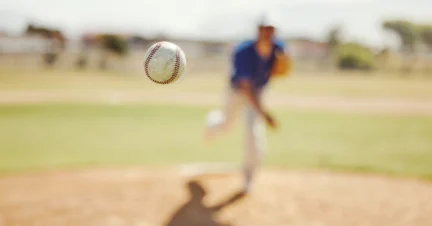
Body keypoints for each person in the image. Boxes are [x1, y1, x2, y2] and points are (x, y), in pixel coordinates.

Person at [204, 14, 291, 193]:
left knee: (253, 133)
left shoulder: (279, 48)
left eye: (271, 29)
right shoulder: (243, 50)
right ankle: (211, 124)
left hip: (258, 91)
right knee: (226, 125)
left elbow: (281, 69)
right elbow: (246, 88)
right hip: (237, 92)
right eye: (264, 28)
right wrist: (265, 114)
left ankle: (249, 177)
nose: (267, 32)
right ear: (257, 30)